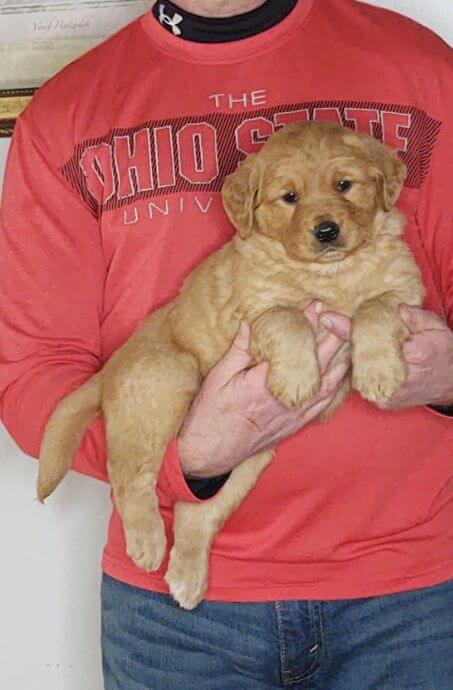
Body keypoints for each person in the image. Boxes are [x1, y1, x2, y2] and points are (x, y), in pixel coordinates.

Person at [1, 0, 452, 687]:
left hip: (417, 591)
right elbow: (33, 377)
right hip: (177, 625)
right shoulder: (66, 114)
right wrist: (183, 458)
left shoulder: (418, 67)